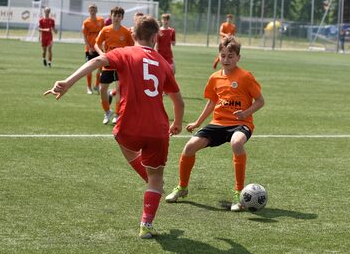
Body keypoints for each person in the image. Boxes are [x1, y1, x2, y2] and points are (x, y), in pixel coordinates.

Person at [44, 14, 185, 239]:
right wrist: (177, 123)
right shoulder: (163, 63)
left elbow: (96, 61)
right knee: (157, 178)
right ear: (156, 36)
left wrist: (67, 83)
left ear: (132, 34)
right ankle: (146, 224)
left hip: (128, 127)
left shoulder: (125, 52)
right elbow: (178, 101)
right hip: (158, 129)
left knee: (120, 138)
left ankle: (147, 177)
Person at [165, 36, 265, 212]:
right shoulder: (214, 78)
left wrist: (246, 113)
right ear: (218, 56)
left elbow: (260, 101)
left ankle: (239, 193)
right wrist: (197, 122)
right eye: (223, 56)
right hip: (218, 123)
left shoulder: (245, 76)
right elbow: (211, 102)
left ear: (238, 58)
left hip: (241, 123)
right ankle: (182, 187)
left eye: (230, 56)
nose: (226, 60)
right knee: (189, 147)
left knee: (236, 142)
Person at [94, 6, 134, 125]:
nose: (116, 18)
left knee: (119, 90)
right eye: (114, 15)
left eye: (119, 16)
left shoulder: (126, 32)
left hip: (120, 66)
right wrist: (102, 53)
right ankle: (107, 112)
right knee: (102, 89)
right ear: (111, 16)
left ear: (122, 17)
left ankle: (117, 114)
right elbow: (97, 43)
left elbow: (131, 47)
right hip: (108, 63)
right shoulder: (105, 29)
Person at [82, 4, 104, 94]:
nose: (93, 11)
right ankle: (89, 87)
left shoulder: (101, 20)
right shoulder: (86, 22)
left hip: (99, 48)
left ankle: (96, 85)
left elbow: (103, 33)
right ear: (89, 11)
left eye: (94, 9)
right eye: (91, 10)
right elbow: (84, 36)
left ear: (96, 11)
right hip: (89, 49)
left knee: (101, 68)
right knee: (89, 69)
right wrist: (89, 47)